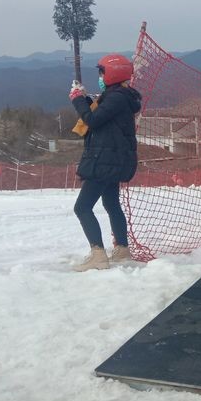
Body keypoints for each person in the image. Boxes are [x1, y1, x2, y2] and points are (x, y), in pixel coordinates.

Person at [69, 54, 142, 271]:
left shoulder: (116, 97)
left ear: (111, 74)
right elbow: (103, 115)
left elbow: (92, 120)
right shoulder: (120, 96)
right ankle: (122, 249)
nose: (100, 77)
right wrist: (88, 100)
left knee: (82, 207)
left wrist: (77, 100)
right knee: (111, 203)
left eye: (102, 72)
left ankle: (98, 255)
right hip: (113, 160)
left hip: (104, 161)